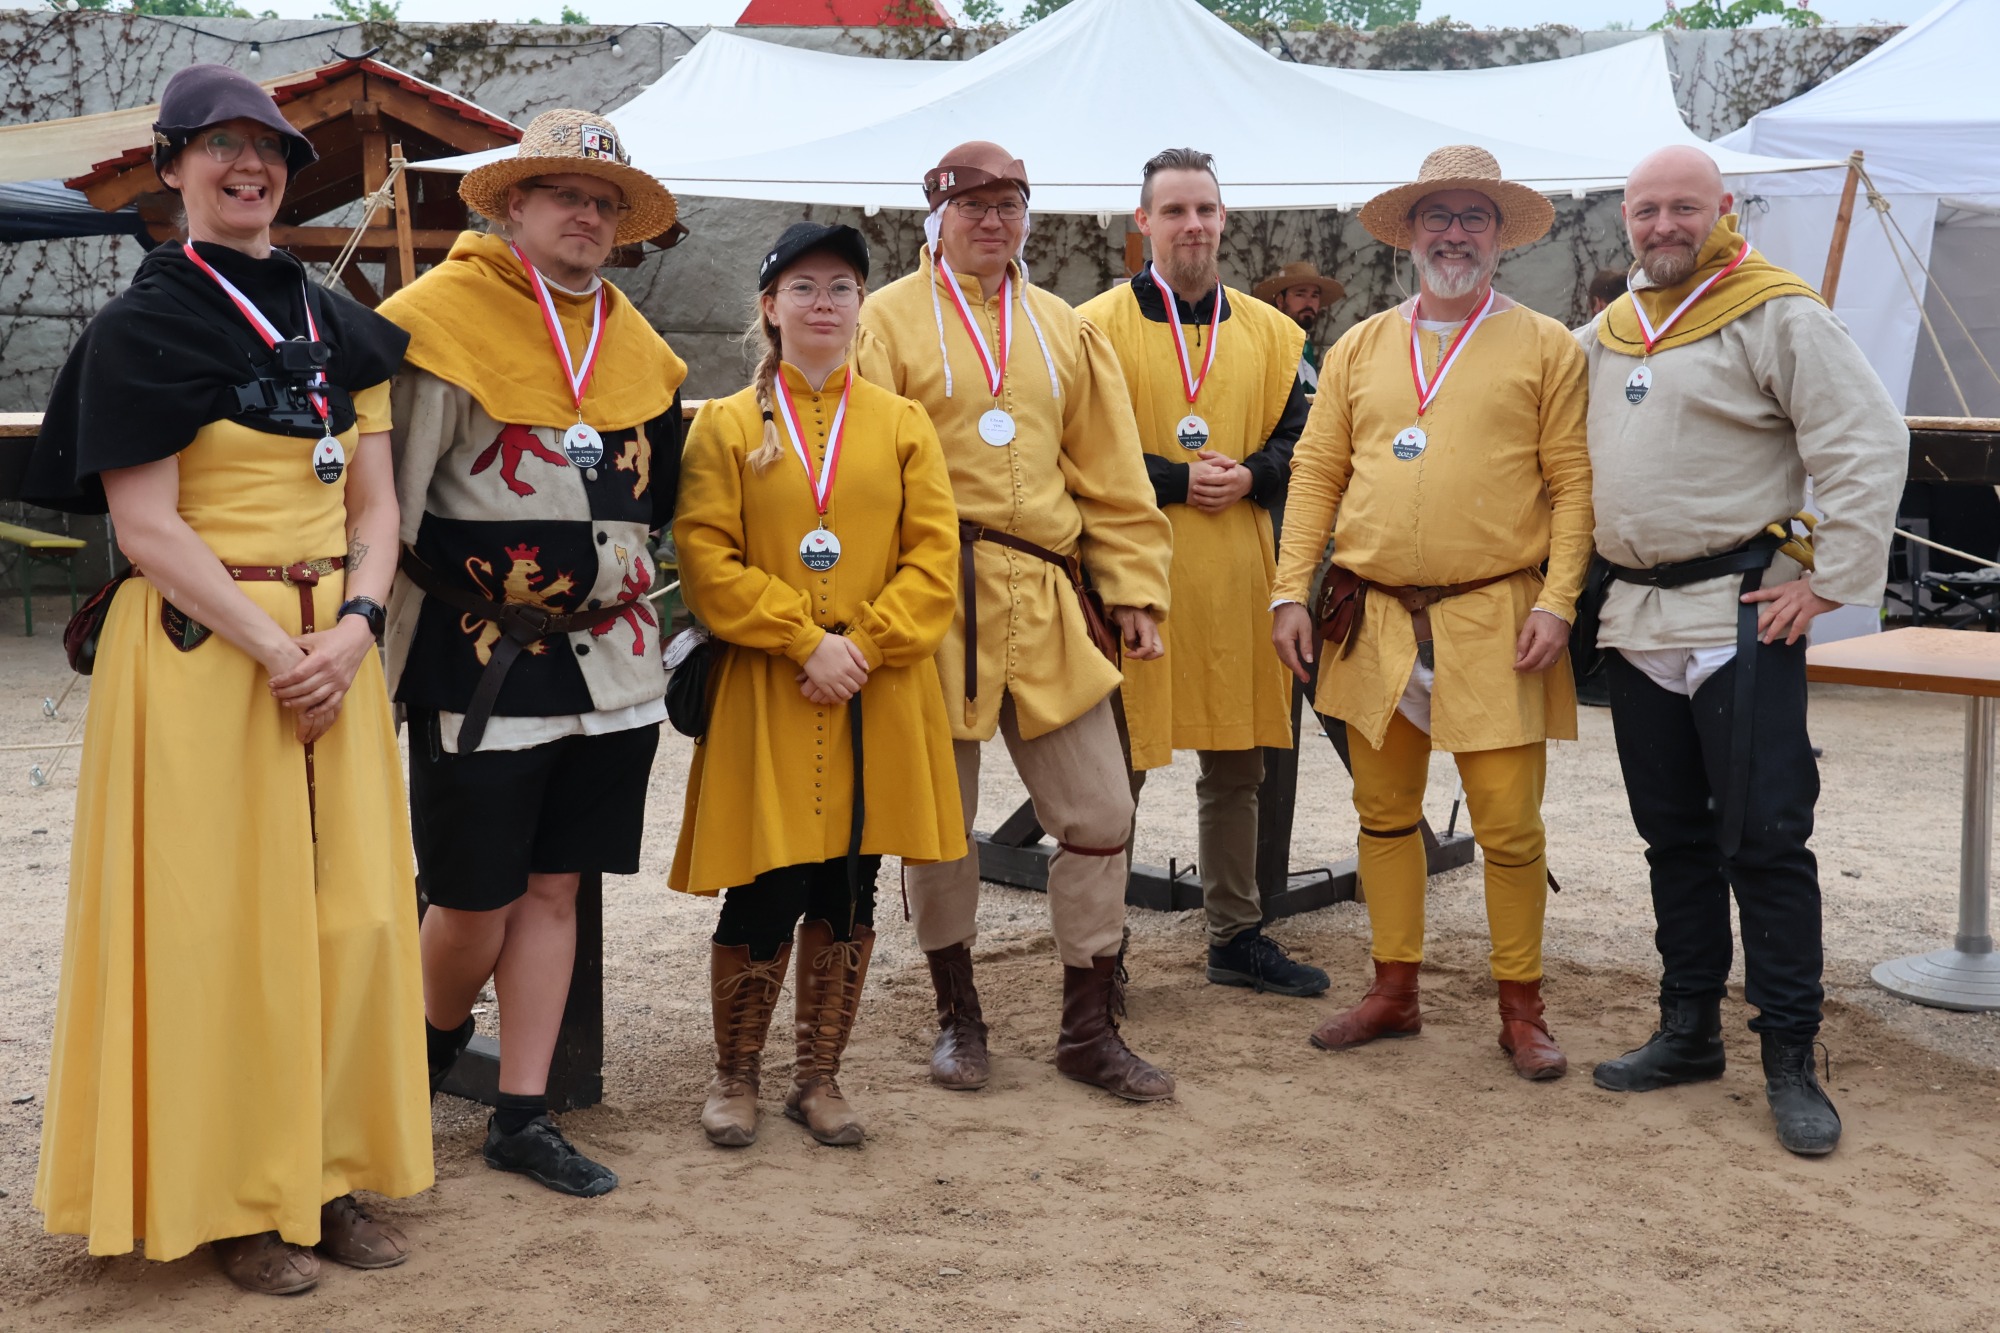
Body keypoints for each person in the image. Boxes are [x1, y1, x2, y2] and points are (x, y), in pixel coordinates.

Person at [24, 64, 429, 1295]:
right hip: (211, 657)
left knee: (350, 917)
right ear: (174, 165)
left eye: (267, 148)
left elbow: (375, 505)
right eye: (221, 145)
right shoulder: (140, 329)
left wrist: (355, 627)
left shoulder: (339, 326)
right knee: (221, 928)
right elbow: (145, 526)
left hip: (334, 654)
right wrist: (276, 649)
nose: (249, 165)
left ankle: (325, 1171)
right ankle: (235, 1197)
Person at [375, 109, 687, 1196]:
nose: (586, 216)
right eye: (565, 195)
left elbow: (657, 500)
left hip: (612, 665)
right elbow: (387, 505)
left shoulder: (639, 345)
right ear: (515, 204)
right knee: (471, 899)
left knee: (557, 888)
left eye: (603, 202)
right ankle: (404, 1082)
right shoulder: (433, 324)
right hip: (481, 663)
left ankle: (521, 1112)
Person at [1577, 146, 1905, 1156]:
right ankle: (1687, 1033)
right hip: (1635, 621)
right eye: (1646, 210)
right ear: (1625, 220)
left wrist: (1828, 580)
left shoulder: (1776, 311)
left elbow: (1864, 439)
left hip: (1737, 617)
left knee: (1763, 840)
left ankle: (1789, 1059)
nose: (1663, 225)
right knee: (1671, 838)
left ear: (1723, 208)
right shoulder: (1609, 331)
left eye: (1684, 207)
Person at [854, 141, 1177, 1102]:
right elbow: (861, 474)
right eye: (974, 205)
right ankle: (959, 1015)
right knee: (938, 823)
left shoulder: (1063, 329)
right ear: (937, 216)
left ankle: (1088, 1029)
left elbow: (1111, 472)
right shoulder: (884, 322)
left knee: (1102, 813)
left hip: (1044, 595)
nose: (993, 221)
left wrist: (1133, 588)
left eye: (1009, 205)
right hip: (932, 597)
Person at [1271, 146, 1593, 1080]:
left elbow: (1574, 484)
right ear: (1411, 233)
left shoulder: (1546, 345)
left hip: (1495, 615)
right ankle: (1394, 989)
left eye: (1473, 217)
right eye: (1438, 217)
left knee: (1508, 825)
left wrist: (1560, 600)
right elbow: (1316, 474)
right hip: (1370, 616)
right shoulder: (1359, 346)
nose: (1455, 234)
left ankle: (1521, 1009)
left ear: (1499, 235)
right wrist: (1290, 590)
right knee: (1382, 814)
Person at [670, 222, 963, 1148]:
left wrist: (864, 643)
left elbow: (934, 561)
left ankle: (818, 1077)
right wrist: (803, 639)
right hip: (772, 685)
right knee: (767, 878)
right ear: (770, 307)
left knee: (850, 881)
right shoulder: (725, 424)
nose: (824, 302)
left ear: (861, 305)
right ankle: (736, 1075)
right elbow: (705, 559)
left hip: (876, 687)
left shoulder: (904, 423)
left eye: (841, 287)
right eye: (803, 287)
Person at [1080, 148, 1327, 997]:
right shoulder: (1094, 327)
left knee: (1238, 767)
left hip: (1236, 576)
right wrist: (1181, 481)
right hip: (1130, 579)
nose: (1193, 225)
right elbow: (1078, 451)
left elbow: (1305, 442)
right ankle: (1098, 952)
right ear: (1143, 221)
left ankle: (1236, 932)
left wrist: (1254, 474)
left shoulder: (1273, 333)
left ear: (1224, 220)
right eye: (1175, 210)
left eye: (1205, 210)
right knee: (1116, 771)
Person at [1254, 260, 1346, 390]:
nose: (1309, 303)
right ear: (1280, 300)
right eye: (1300, 294)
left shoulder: (1305, 345)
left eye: (1314, 296)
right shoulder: (1266, 344)